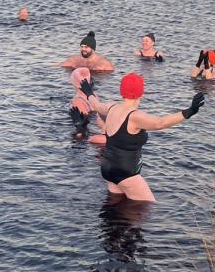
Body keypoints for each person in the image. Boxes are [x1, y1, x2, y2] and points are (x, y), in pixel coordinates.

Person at [80, 72, 206, 202]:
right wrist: (189, 112)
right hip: (126, 173)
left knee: (114, 213)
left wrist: (89, 92)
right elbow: (160, 123)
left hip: (107, 169)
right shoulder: (135, 116)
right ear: (141, 93)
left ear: (121, 90)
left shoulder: (111, 107)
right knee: (149, 208)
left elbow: (96, 105)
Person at [67, 67, 105, 144]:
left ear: (74, 83)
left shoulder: (77, 101)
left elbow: (85, 118)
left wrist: (79, 128)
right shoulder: (94, 96)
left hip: (88, 125)